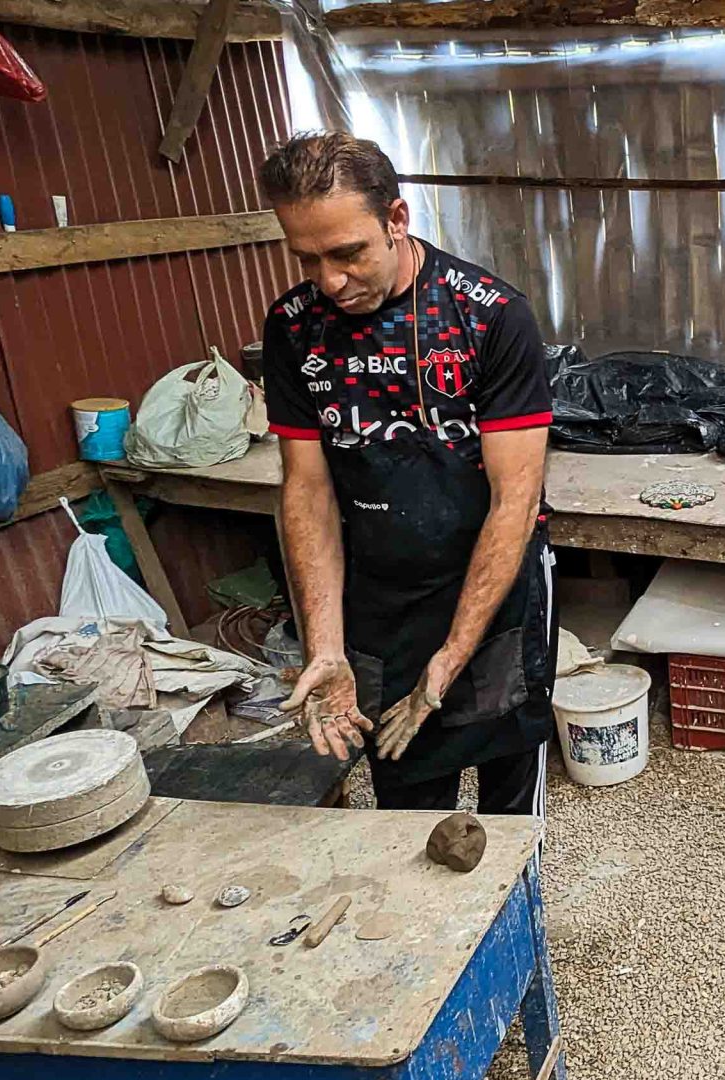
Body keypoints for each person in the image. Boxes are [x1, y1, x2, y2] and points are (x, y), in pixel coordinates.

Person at [257, 131, 556, 814]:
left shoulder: (490, 316)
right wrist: (324, 645)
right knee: (404, 797)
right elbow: (306, 491)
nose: (329, 280)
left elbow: (515, 498)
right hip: (381, 595)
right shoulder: (294, 327)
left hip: (494, 585)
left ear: (397, 219)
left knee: (509, 805)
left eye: (347, 252)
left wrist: (451, 658)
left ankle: (514, 919)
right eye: (306, 258)